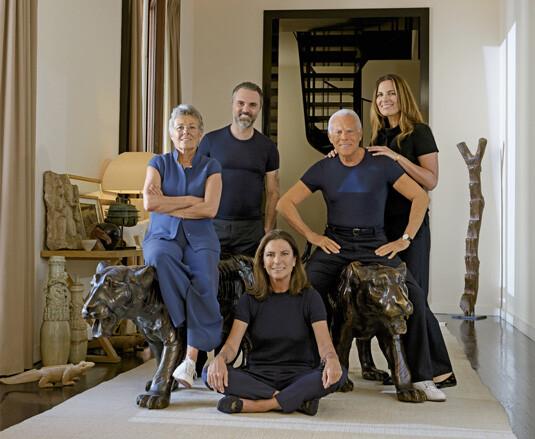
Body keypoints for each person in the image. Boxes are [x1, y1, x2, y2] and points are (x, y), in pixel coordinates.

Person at [277, 109, 448, 401]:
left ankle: (421, 378)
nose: (344, 137)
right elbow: (285, 203)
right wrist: (312, 236)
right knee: (303, 289)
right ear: (330, 137)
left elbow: (421, 196)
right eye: (338, 132)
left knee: (414, 296)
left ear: (360, 135)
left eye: (350, 131)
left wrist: (404, 239)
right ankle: (305, 366)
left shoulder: (381, 164)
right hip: (336, 242)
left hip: (376, 244)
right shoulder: (322, 167)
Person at [369, 73, 455, 388]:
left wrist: (395, 157)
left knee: (414, 296)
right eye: (379, 95)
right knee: (392, 299)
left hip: (412, 224)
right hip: (383, 225)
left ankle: (441, 370)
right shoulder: (378, 136)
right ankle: (404, 369)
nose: (384, 100)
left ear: (402, 96)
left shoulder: (419, 132)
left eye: (390, 93)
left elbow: (430, 180)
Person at [202, 229, 347, 415]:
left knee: (339, 373)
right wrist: (220, 359)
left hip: (300, 374)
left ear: (295, 260)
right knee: (209, 373)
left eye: (284, 254)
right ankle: (297, 401)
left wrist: (332, 359)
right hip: (258, 375)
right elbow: (232, 345)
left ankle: (258, 405)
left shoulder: (311, 297)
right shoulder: (250, 299)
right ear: (262, 261)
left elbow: (325, 346)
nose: (277, 261)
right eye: (270, 255)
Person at [142, 104, 223, 389]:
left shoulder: (211, 166)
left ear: (200, 134)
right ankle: (189, 333)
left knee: (204, 279)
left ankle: (189, 360)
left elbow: (211, 208)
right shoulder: (158, 163)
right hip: (162, 236)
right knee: (160, 260)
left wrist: (170, 202)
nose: (185, 132)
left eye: (191, 127)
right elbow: (151, 203)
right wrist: (191, 200)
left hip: (201, 238)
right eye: (179, 127)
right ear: (171, 134)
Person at [197, 81, 280, 257]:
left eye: (252, 105)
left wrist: (267, 230)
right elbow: (197, 185)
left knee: (249, 283)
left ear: (259, 109)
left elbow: (273, 192)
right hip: (214, 226)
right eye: (240, 103)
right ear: (232, 104)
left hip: (251, 231)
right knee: (211, 280)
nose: (245, 109)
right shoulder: (210, 141)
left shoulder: (269, 147)